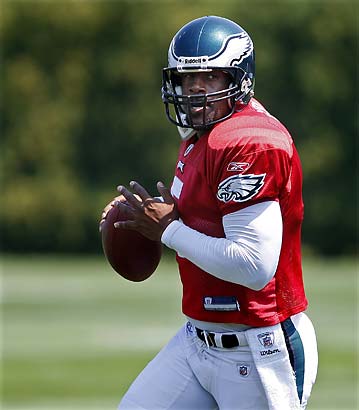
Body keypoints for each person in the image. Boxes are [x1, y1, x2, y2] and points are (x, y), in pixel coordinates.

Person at [100, 15, 318, 410]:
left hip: (257, 347)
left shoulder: (247, 139)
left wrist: (167, 230)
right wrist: (143, 215)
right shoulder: (200, 136)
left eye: (211, 77)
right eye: (187, 80)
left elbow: (253, 265)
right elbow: (201, 217)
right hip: (196, 340)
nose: (195, 90)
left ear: (240, 80)